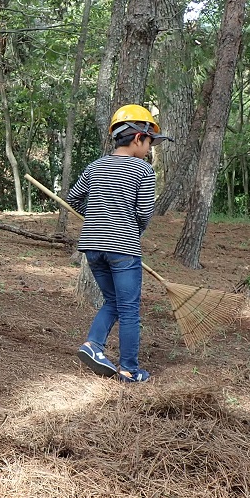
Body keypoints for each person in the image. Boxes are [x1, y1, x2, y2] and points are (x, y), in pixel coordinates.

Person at [67, 104, 173, 383]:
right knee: (128, 309)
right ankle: (129, 369)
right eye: (150, 143)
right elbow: (143, 213)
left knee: (112, 300)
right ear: (138, 138)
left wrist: (97, 213)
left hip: (92, 247)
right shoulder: (143, 171)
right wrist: (129, 232)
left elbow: (74, 199)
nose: (150, 150)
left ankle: (93, 345)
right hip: (123, 246)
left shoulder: (95, 166)